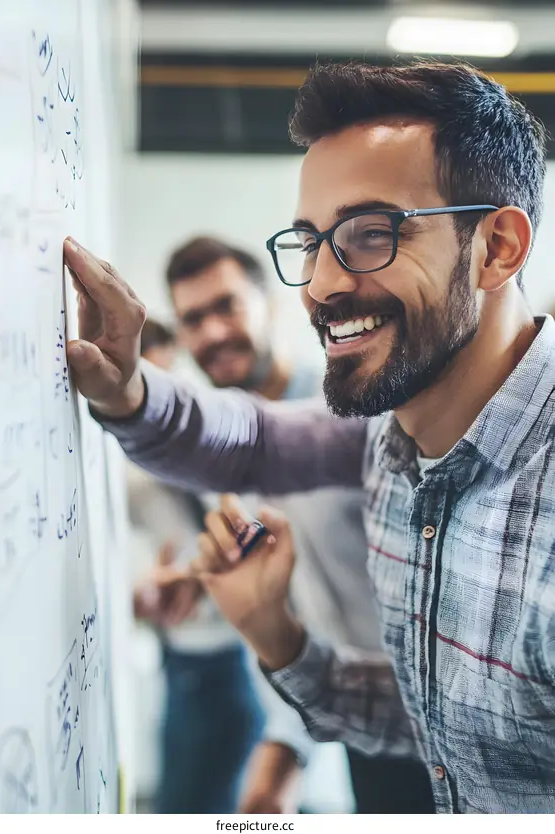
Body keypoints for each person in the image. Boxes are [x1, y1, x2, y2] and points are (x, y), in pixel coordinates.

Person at [61, 58, 555, 813]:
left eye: (369, 235)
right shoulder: (391, 443)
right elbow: (454, 726)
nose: (321, 285)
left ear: (497, 249)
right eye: (311, 243)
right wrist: (279, 637)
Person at [133, 237, 428, 813]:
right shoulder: (225, 455)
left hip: (445, 723)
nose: (213, 332)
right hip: (358, 729)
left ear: (268, 303)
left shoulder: (359, 410)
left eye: (227, 307)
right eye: (194, 318)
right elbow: (292, 602)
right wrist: (201, 579)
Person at [128, 318, 266, 814]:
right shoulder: (128, 466)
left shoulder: (216, 437)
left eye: (169, 381)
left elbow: (254, 533)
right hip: (185, 655)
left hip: (224, 659)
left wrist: (202, 579)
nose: (161, 406)